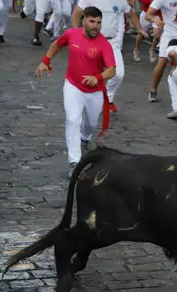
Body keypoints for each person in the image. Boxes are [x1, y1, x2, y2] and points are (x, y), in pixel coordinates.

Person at [35, 6, 117, 178]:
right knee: (73, 120)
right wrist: (45, 61)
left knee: (91, 125)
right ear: (84, 20)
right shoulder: (72, 34)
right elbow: (57, 45)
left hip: (94, 92)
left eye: (99, 22)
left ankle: (85, 139)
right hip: (73, 86)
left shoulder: (104, 44)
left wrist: (98, 77)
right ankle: (74, 162)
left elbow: (112, 70)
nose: (96, 26)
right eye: (92, 21)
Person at [71, 0, 145, 113]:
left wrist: (139, 29)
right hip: (92, 41)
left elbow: (131, 13)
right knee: (87, 73)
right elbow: (77, 12)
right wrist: (76, 33)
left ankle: (108, 99)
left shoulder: (121, 2)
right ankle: (83, 100)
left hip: (112, 42)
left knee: (119, 74)